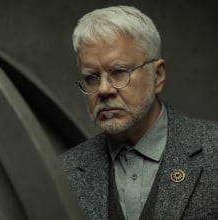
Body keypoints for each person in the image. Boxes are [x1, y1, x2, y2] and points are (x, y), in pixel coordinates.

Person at [60, 5, 218, 220]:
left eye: (118, 72)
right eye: (91, 77)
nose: (104, 89)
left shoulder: (213, 150)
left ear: (158, 75)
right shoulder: (63, 173)